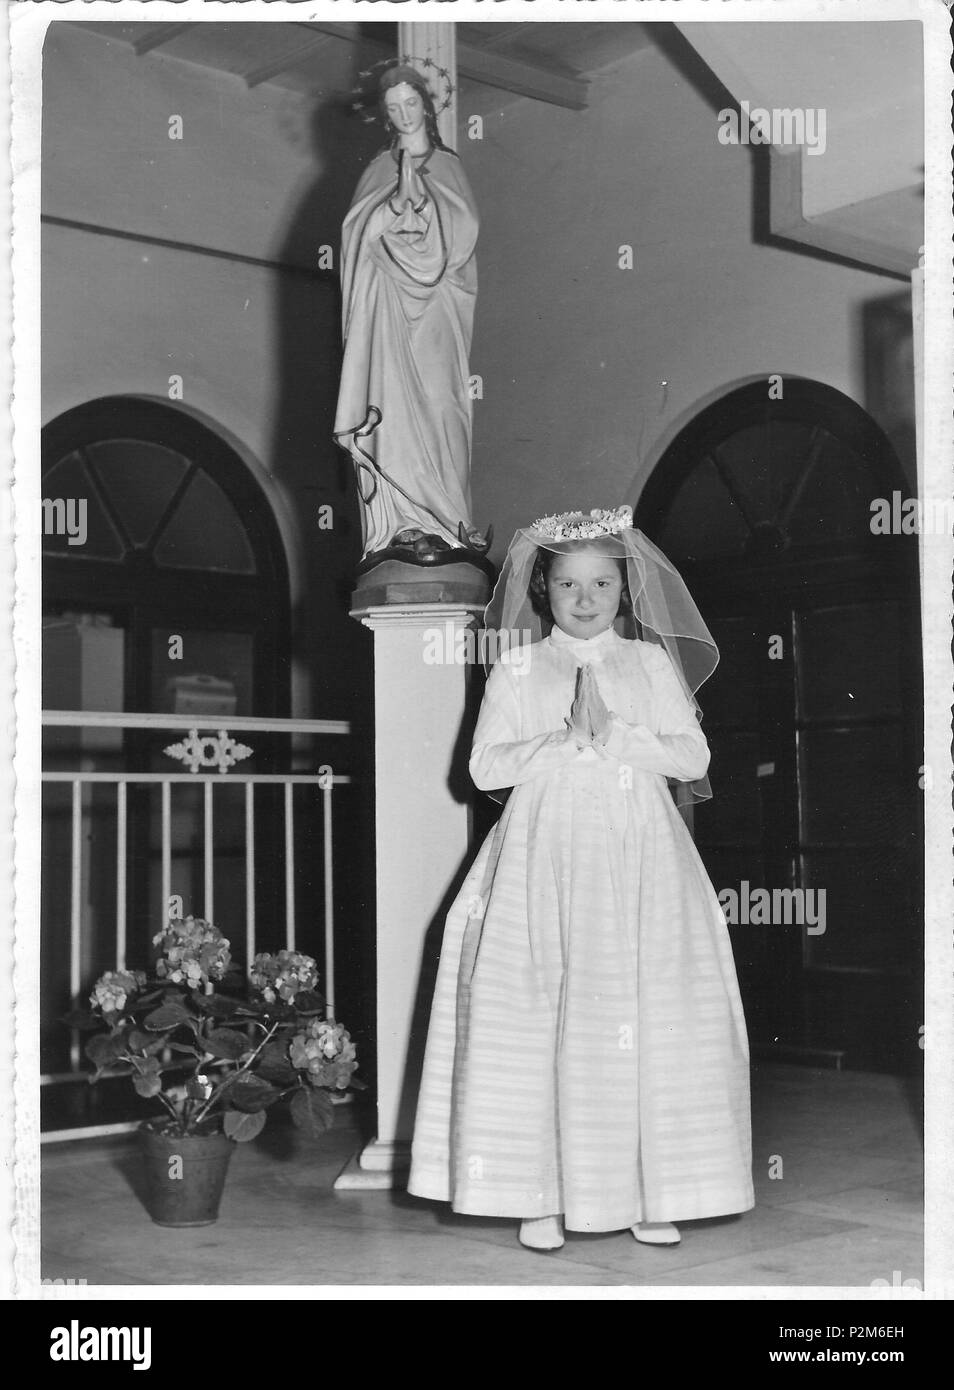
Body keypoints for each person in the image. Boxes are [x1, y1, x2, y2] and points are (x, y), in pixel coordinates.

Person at [407, 505, 754, 1251]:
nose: (586, 598)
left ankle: (646, 1191)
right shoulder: (519, 667)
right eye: (569, 584)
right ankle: (542, 1192)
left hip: (639, 858)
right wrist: (564, 740)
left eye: (601, 583)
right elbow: (484, 766)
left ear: (624, 592)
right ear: (545, 591)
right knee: (542, 1009)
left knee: (644, 1010)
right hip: (546, 855)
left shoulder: (649, 665)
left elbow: (692, 759)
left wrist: (618, 735)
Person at [334, 65, 483, 559]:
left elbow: (458, 238)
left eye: (410, 104)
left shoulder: (447, 165)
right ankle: (399, 525)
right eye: (393, 108)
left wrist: (419, 207)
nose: (402, 114)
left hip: (436, 309)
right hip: (388, 309)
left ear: (426, 106)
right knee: (390, 410)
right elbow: (357, 234)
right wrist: (392, 210)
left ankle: (446, 522)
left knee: (441, 405)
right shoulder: (377, 169)